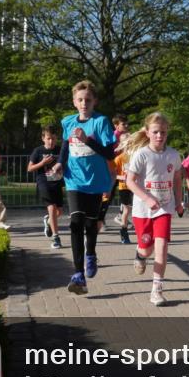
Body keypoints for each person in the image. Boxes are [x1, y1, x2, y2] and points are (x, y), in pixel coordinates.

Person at [50, 80, 118, 296]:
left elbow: (109, 154)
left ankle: (91, 254)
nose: (84, 103)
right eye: (80, 99)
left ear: (94, 101)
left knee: (91, 223)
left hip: (97, 181)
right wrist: (60, 163)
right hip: (74, 180)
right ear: (74, 101)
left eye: (88, 100)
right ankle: (78, 274)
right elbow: (65, 149)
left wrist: (87, 139)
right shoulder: (68, 122)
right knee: (75, 222)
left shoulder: (101, 122)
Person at [126, 112, 184, 307]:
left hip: (164, 208)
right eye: (156, 132)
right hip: (143, 210)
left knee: (162, 248)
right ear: (148, 132)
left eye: (163, 132)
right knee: (147, 248)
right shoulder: (141, 155)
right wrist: (147, 197)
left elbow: (177, 179)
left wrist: (178, 201)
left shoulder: (174, 155)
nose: (160, 136)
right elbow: (130, 181)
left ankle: (157, 289)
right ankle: (140, 254)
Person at [27, 125, 65, 249]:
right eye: (48, 138)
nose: (51, 141)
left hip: (57, 182)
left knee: (59, 211)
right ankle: (56, 238)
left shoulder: (60, 150)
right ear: (43, 138)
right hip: (43, 182)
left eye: (53, 139)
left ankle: (48, 221)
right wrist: (42, 163)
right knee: (52, 209)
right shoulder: (38, 151)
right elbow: (29, 168)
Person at [111, 133, 133, 244]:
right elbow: (113, 174)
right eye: (125, 142)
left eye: (129, 142)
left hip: (136, 186)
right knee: (127, 209)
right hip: (124, 186)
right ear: (121, 144)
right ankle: (124, 231)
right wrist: (122, 177)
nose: (128, 144)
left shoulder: (136, 156)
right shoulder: (119, 158)